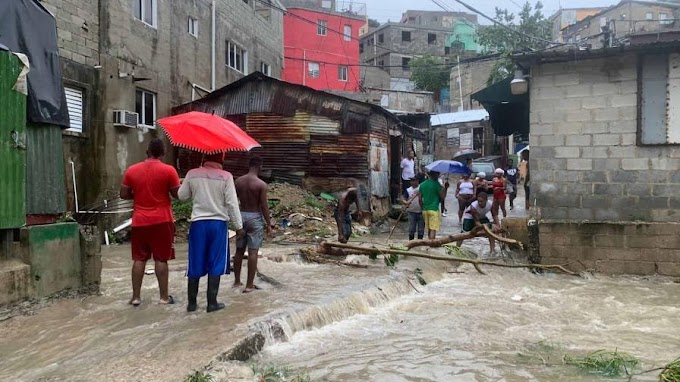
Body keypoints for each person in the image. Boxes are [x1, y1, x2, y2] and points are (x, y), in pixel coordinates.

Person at [178, 153, 244, 312]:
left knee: (195, 261)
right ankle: (212, 303)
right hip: (218, 225)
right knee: (216, 262)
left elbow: (181, 196)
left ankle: (192, 304)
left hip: (198, 224)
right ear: (221, 160)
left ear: (204, 158)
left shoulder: (192, 174)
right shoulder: (226, 177)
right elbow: (232, 204)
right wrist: (238, 226)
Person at [120, 139, 180, 307]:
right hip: (162, 221)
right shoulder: (169, 170)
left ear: (147, 152)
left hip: (139, 221)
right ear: (162, 153)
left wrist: (138, 195)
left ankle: (136, 298)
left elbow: (123, 194)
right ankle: (164, 298)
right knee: (161, 259)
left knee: (139, 259)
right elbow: (177, 195)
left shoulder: (132, 170)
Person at [234, 156, 273, 294]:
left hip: (241, 216)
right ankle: (249, 285)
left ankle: (237, 281)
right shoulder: (261, 184)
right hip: (255, 217)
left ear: (248, 165)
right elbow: (263, 205)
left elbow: (233, 201)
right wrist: (269, 224)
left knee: (239, 250)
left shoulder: (238, 181)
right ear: (260, 166)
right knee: (253, 252)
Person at [419, 171, 449, 239]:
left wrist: (422, 207)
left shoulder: (422, 184)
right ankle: (431, 244)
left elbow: (420, 199)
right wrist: (445, 188)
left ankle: (429, 243)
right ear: (436, 175)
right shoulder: (437, 184)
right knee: (433, 229)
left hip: (425, 209)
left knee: (429, 228)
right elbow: (442, 197)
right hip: (434, 209)